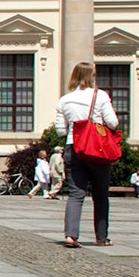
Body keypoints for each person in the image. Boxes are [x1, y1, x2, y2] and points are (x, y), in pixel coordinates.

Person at [54, 61, 120, 247]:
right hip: (97, 149)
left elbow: (60, 130)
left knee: (76, 194)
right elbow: (112, 122)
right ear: (91, 76)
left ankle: (70, 235)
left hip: (73, 148)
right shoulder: (100, 96)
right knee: (100, 194)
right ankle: (101, 237)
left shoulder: (65, 100)